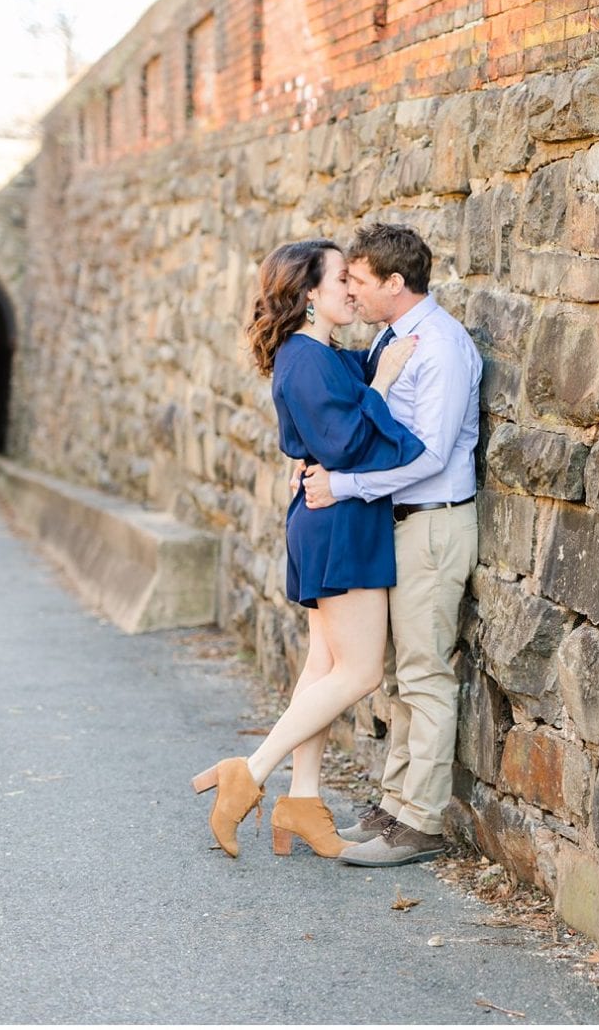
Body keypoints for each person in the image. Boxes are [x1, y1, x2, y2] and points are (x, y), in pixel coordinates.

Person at [193, 238, 422, 859]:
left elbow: (313, 440)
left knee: (323, 668)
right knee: (360, 670)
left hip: (334, 515)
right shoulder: (306, 359)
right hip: (339, 521)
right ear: (310, 295)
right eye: (340, 277)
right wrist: (386, 381)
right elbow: (346, 443)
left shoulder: (323, 354)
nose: (352, 287)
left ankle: (303, 799)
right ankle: (252, 770)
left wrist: (370, 378)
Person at [300, 222, 482, 867]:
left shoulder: (440, 347)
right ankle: (395, 804)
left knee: (426, 673)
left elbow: (430, 456)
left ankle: (421, 823)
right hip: (395, 521)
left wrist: (344, 485)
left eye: (359, 280)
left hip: (432, 521)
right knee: (404, 676)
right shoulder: (389, 337)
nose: (349, 289)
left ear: (395, 284)